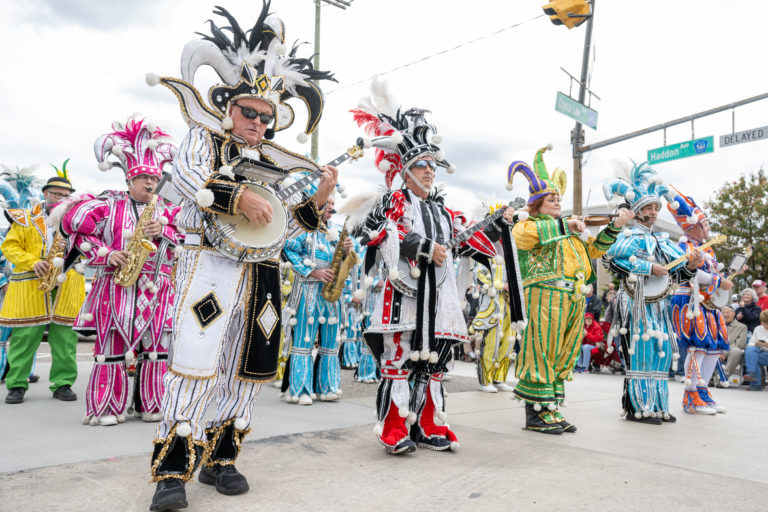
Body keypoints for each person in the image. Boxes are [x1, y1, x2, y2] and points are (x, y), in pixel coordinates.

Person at [146, 5, 338, 510]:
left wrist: (315, 203)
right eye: (249, 111)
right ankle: (171, 470)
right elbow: (187, 179)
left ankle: (221, 459)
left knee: (245, 369)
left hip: (264, 275)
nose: (257, 122)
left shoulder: (275, 164)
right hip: (208, 265)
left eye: (266, 116)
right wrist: (235, 197)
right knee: (193, 361)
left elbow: (281, 226)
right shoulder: (201, 139)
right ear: (228, 107)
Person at [350, 80, 519, 454]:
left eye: (432, 165)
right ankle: (394, 428)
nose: (429, 171)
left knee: (435, 364)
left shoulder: (444, 211)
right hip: (404, 297)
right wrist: (424, 247)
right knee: (399, 362)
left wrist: (499, 224)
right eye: (421, 165)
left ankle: (429, 424)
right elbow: (376, 231)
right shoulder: (394, 200)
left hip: (438, 300)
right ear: (405, 169)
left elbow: (470, 242)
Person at [58, 117, 182, 426]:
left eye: (154, 178)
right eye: (143, 179)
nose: (150, 184)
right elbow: (78, 234)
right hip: (115, 287)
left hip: (156, 288)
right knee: (109, 349)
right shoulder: (107, 205)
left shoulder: (167, 212)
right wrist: (109, 253)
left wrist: (164, 230)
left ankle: (152, 405)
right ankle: (107, 407)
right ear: (128, 180)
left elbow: (188, 239)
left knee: (157, 350)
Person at [510, 146, 633, 434]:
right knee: (540, 351)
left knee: (561, 354)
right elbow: (523, 238)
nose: (557, 202)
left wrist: (615, 225)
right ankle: (535, 414)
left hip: (572, 298)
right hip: (543, 295)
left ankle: (550, 410)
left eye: (558, 199)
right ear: (537, 202)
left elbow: (595, 249)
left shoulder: (567, 230)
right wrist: (565, 224)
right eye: (551, 199)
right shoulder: (528, 224)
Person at [603, 162, 702, 425]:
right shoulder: (627, 235)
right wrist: (649, 267)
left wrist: (691, 264)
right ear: (637, 212)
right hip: (634, 303)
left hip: (658, 305)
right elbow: (611, 261)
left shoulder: (661, 240)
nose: (654, 212)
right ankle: (638, 407)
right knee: (641, 352)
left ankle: (657, 406)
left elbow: (679, 272)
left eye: (656, 207)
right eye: (649, 208)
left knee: (662, 352)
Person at [1, 169, 86, 404]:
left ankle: (63, 384)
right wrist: (33, 261)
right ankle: (17, 384)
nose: (60, 198)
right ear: (45, 193)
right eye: (56, 193)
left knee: (65, 339)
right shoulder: (24, 218)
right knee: (24, 337)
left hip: (67, 285)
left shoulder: (78, 221)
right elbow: (10, 247)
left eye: (65, 195)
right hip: (31, 285)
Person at [667, 187, 736, 414]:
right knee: (697, 349)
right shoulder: (683, 245)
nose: (708, 228)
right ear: (694, 225)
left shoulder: (708, 250)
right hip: (689, 302)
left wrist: (729, 276)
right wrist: (719, 280)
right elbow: (690, 273)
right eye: (704, 224)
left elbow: (714, 277)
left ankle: (703, 392)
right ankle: (691, 397)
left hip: (709, 303)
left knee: (714, 350)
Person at [281, 196, 356, 405]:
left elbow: (347, 262)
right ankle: (300, 389)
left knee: (331, 343)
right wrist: (312, 271)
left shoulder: (337, 231)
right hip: (308, 291)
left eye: (333, 204)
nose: (331, 207)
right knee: (304, 340)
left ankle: (328, 387)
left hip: (332, 294)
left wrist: (348, 251)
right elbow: (288, 249)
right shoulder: (302, 228)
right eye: (327, 203)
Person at [470, 203, 525, 393]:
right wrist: (502, 286)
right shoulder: (484, 248)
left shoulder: (510, 248)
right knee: (490, 344)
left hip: (510, 303)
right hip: (493, 304)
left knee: (509, 342)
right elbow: (479, 275)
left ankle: (500, 378)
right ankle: (485, 380)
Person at [720, 306, 748, 380]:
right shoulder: (716, 325)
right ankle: (710, 378)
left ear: (734, 314)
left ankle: (724, 377)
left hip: (731, 351)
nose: (725, 314)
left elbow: (740, 344)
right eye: (723, 313)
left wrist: (724, 353)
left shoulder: (742, 327)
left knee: (736, 350)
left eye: (728, 312)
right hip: (717, 351)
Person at [743, 309, 768, 391]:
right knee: (751, 349)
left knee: (753, 358)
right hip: (759, 351)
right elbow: (750, 343)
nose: (766, 326)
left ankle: (754, 381)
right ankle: (752, 373)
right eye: (764, 323)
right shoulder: (758, 328)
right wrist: (756, 344)